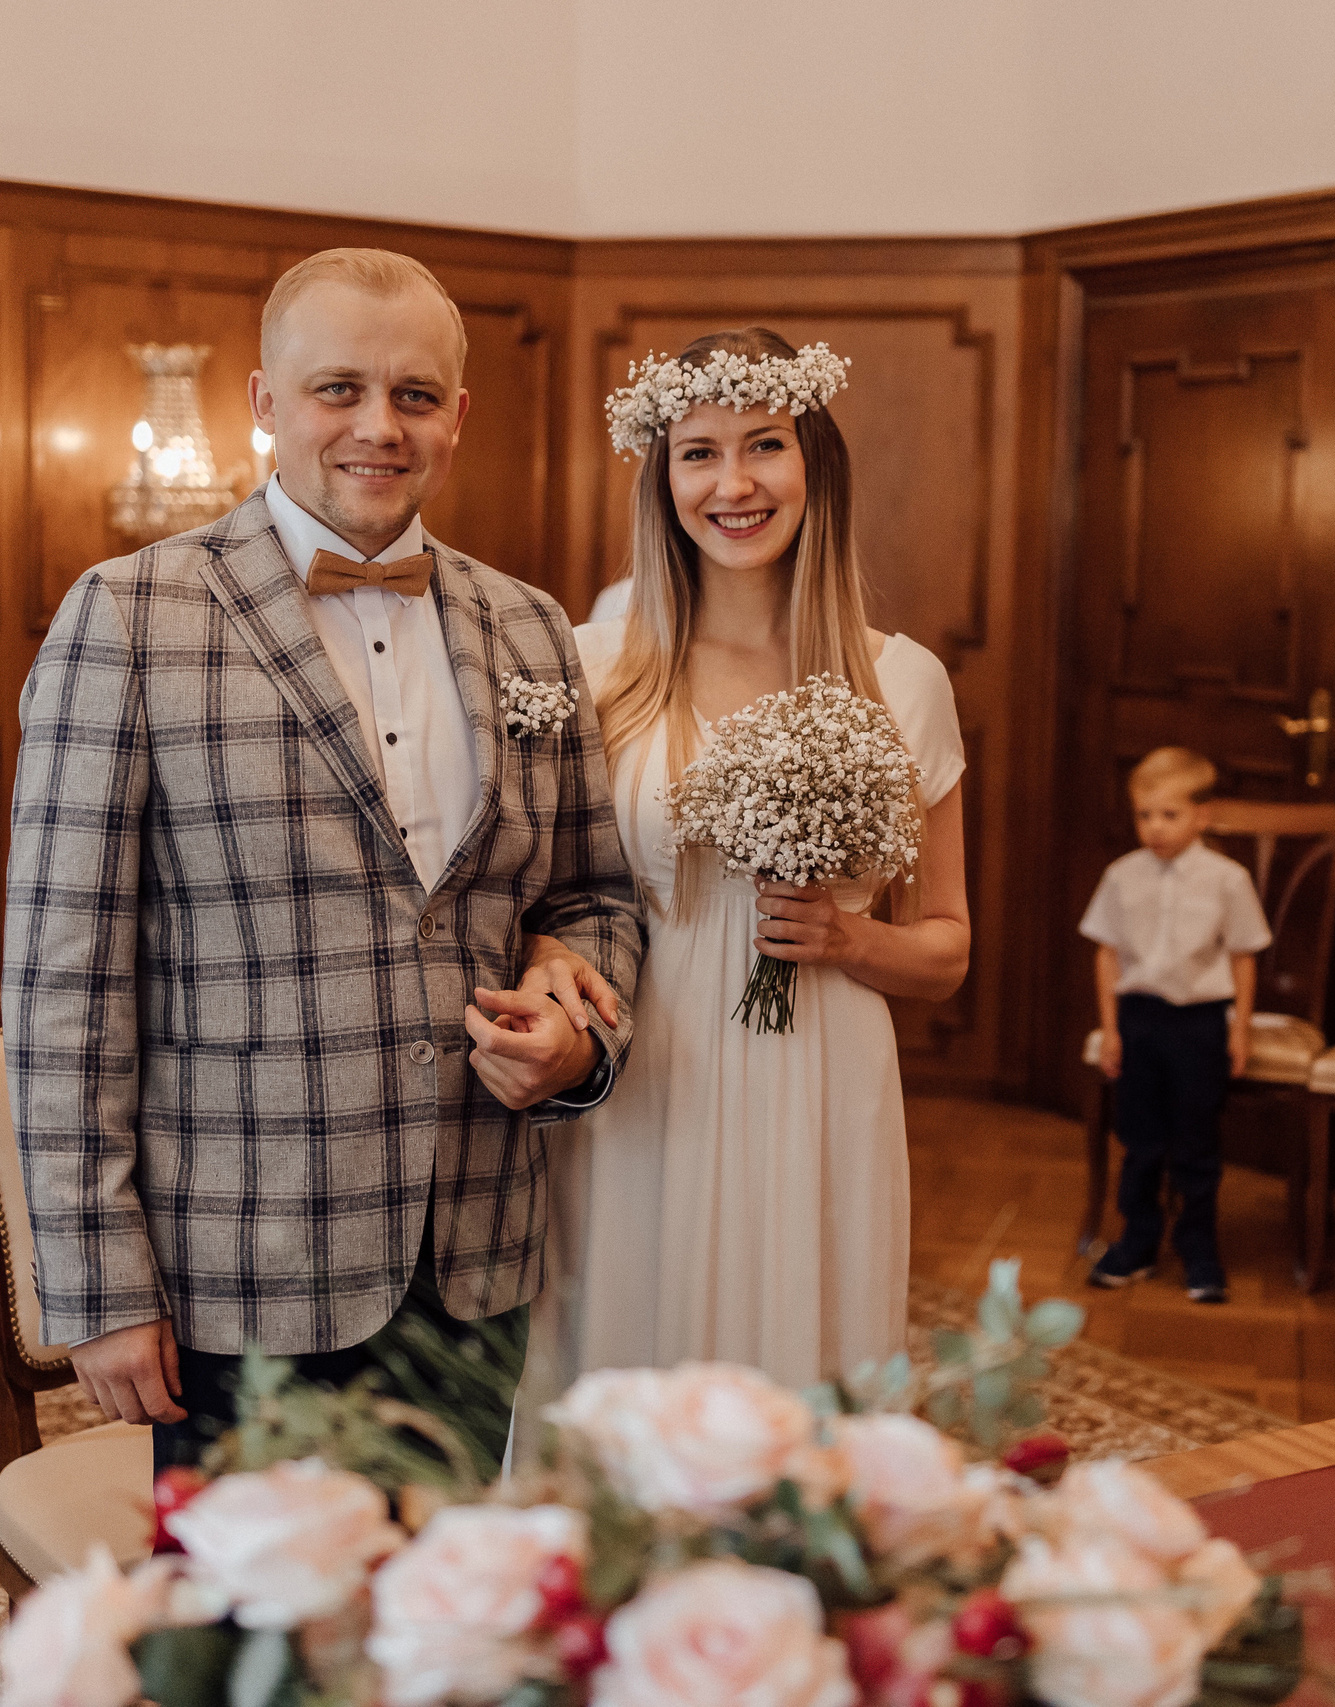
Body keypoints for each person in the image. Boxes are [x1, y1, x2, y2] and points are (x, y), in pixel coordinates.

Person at [4, 248, 643, 1471]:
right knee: (254, 1647)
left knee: (440, 1629)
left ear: (456, 416)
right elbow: (63, 983)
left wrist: (578, 1037)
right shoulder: (131, 616)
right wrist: (97, 1282)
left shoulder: (529, 626)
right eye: (336, 389)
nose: (376, 427)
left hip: (471, 1254)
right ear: (262, 403)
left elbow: (591, 892)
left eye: (412, 396)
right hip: (238, 1269)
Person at [518, 328, 972, 1401]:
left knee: (803, 1374)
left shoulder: (902, 682)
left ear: (814, 461)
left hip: (820, 1080)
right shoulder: (589, 667)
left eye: (763, 444)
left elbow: (947, 952)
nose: (733, 483)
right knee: (621, 1369)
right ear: (660, 476)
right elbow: (526, 895)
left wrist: (851, 936)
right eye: (697, 452)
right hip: (634, 1074)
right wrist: (543, 950)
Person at [1077, 748, 1270, 1304]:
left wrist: (1241, 1028)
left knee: (1195, 1140)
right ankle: (1137, 1239)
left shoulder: (1226, 880)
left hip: (1200, 1025)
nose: (1154, 828)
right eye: (1144, 815)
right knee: (1140, 1138)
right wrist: (1111, 1029)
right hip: (1140, 1020)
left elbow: (1242, 956)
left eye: (1169, 815)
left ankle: (1199, 1246)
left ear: (1202, 816)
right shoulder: (1121, 876)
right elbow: (1107, 954)